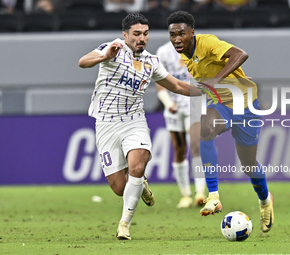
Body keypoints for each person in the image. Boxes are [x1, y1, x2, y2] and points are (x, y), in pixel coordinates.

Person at [78, 13, 202, 240]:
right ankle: (140, 185)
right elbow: (83, 62)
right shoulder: (111, 48)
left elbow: (175, 84)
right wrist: (104, 56)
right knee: (118, 187)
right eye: (136, 34)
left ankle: (124, 224)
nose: (141, 38)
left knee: (137, 164)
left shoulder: (151, 61)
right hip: (106, 123)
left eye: (145, 33)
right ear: (125, 35)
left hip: (134, 121)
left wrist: (207, 91)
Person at [166, 10, 274, 233]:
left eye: (181, 33)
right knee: (205, 131)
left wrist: (216, 80)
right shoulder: (185, 55)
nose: (177, 38)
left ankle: (265, 201)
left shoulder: (207, 43)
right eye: (172, 34)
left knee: (248, 163)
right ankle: (213, 196)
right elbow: (201, 88)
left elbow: (241, 55)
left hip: (245, 105)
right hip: (221, 105)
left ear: (192, 33)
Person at [155, 41, 206, 209]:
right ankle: (185, 195)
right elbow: (160, 84)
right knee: (179, 148)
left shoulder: (200, 49)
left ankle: (200, 192)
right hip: (174, 106)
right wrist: (168, 103)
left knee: (196, 145)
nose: (178, 36)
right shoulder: (163, 52)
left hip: (195, 103)